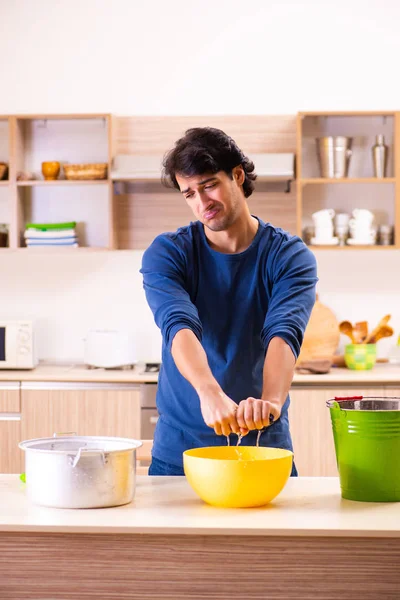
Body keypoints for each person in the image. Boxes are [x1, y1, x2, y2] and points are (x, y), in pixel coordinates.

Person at [140, 127, 318, 476]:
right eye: (189, 193)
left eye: (209, 185)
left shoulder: (289, 256)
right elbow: (178, 325)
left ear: (237, 175)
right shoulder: (168, 253)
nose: (201, 203)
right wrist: (209, 392)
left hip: (263, 450)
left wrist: (270, 403)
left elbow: (284, 335)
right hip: (180, 455)